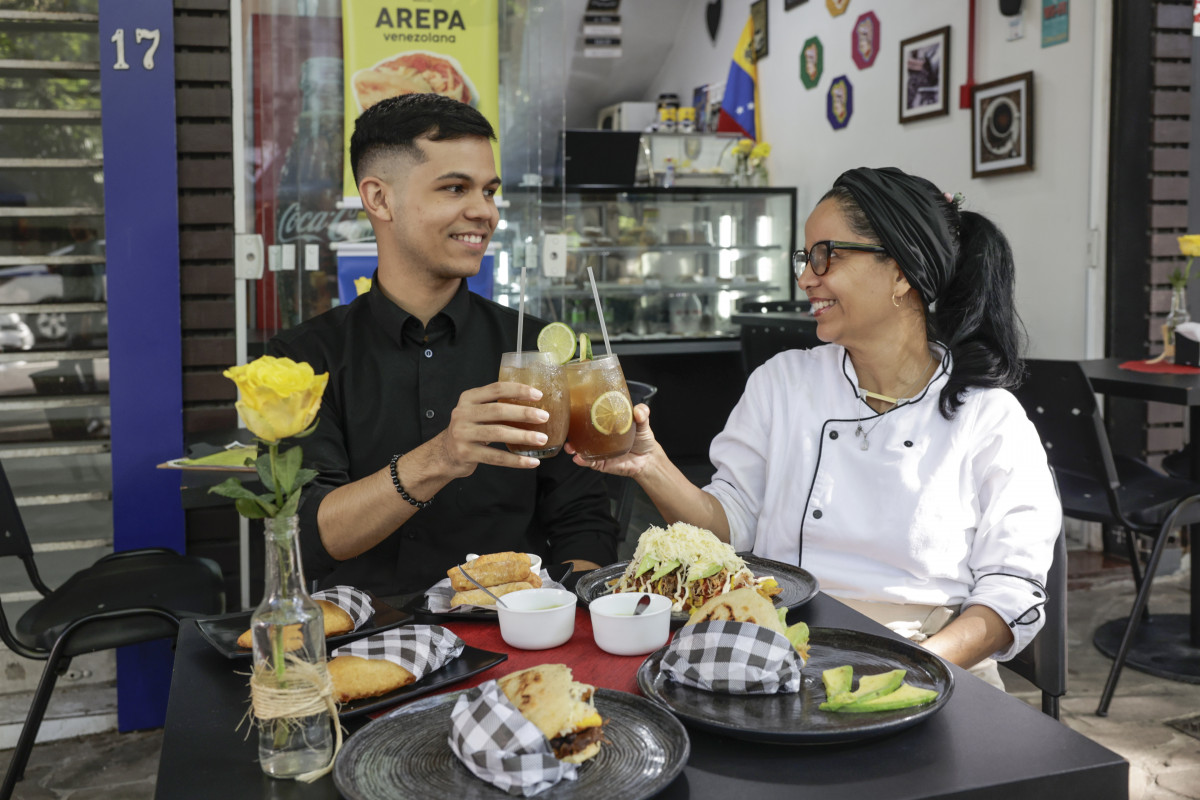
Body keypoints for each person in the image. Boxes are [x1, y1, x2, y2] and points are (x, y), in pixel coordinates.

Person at [571, 166, 1060, 688]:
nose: (806, 277)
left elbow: (1011, 590)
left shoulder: (988, 417)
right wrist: (650, 464)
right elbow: (729, 526)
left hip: (934, 661)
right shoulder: (784, 383)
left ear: (901, 273)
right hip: (779, 644)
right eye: (805, 258)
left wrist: (917, 667)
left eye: (826, 255)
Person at [268, 93, 618, 595]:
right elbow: (309, 535)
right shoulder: (303, 357)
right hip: (366, 637)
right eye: (455, 188)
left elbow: (583, 520)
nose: (484, 212)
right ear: (378, 198)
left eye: (490, 191)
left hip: (515, 636)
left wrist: (579, 606)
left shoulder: (538, 348)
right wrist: (440, 457)